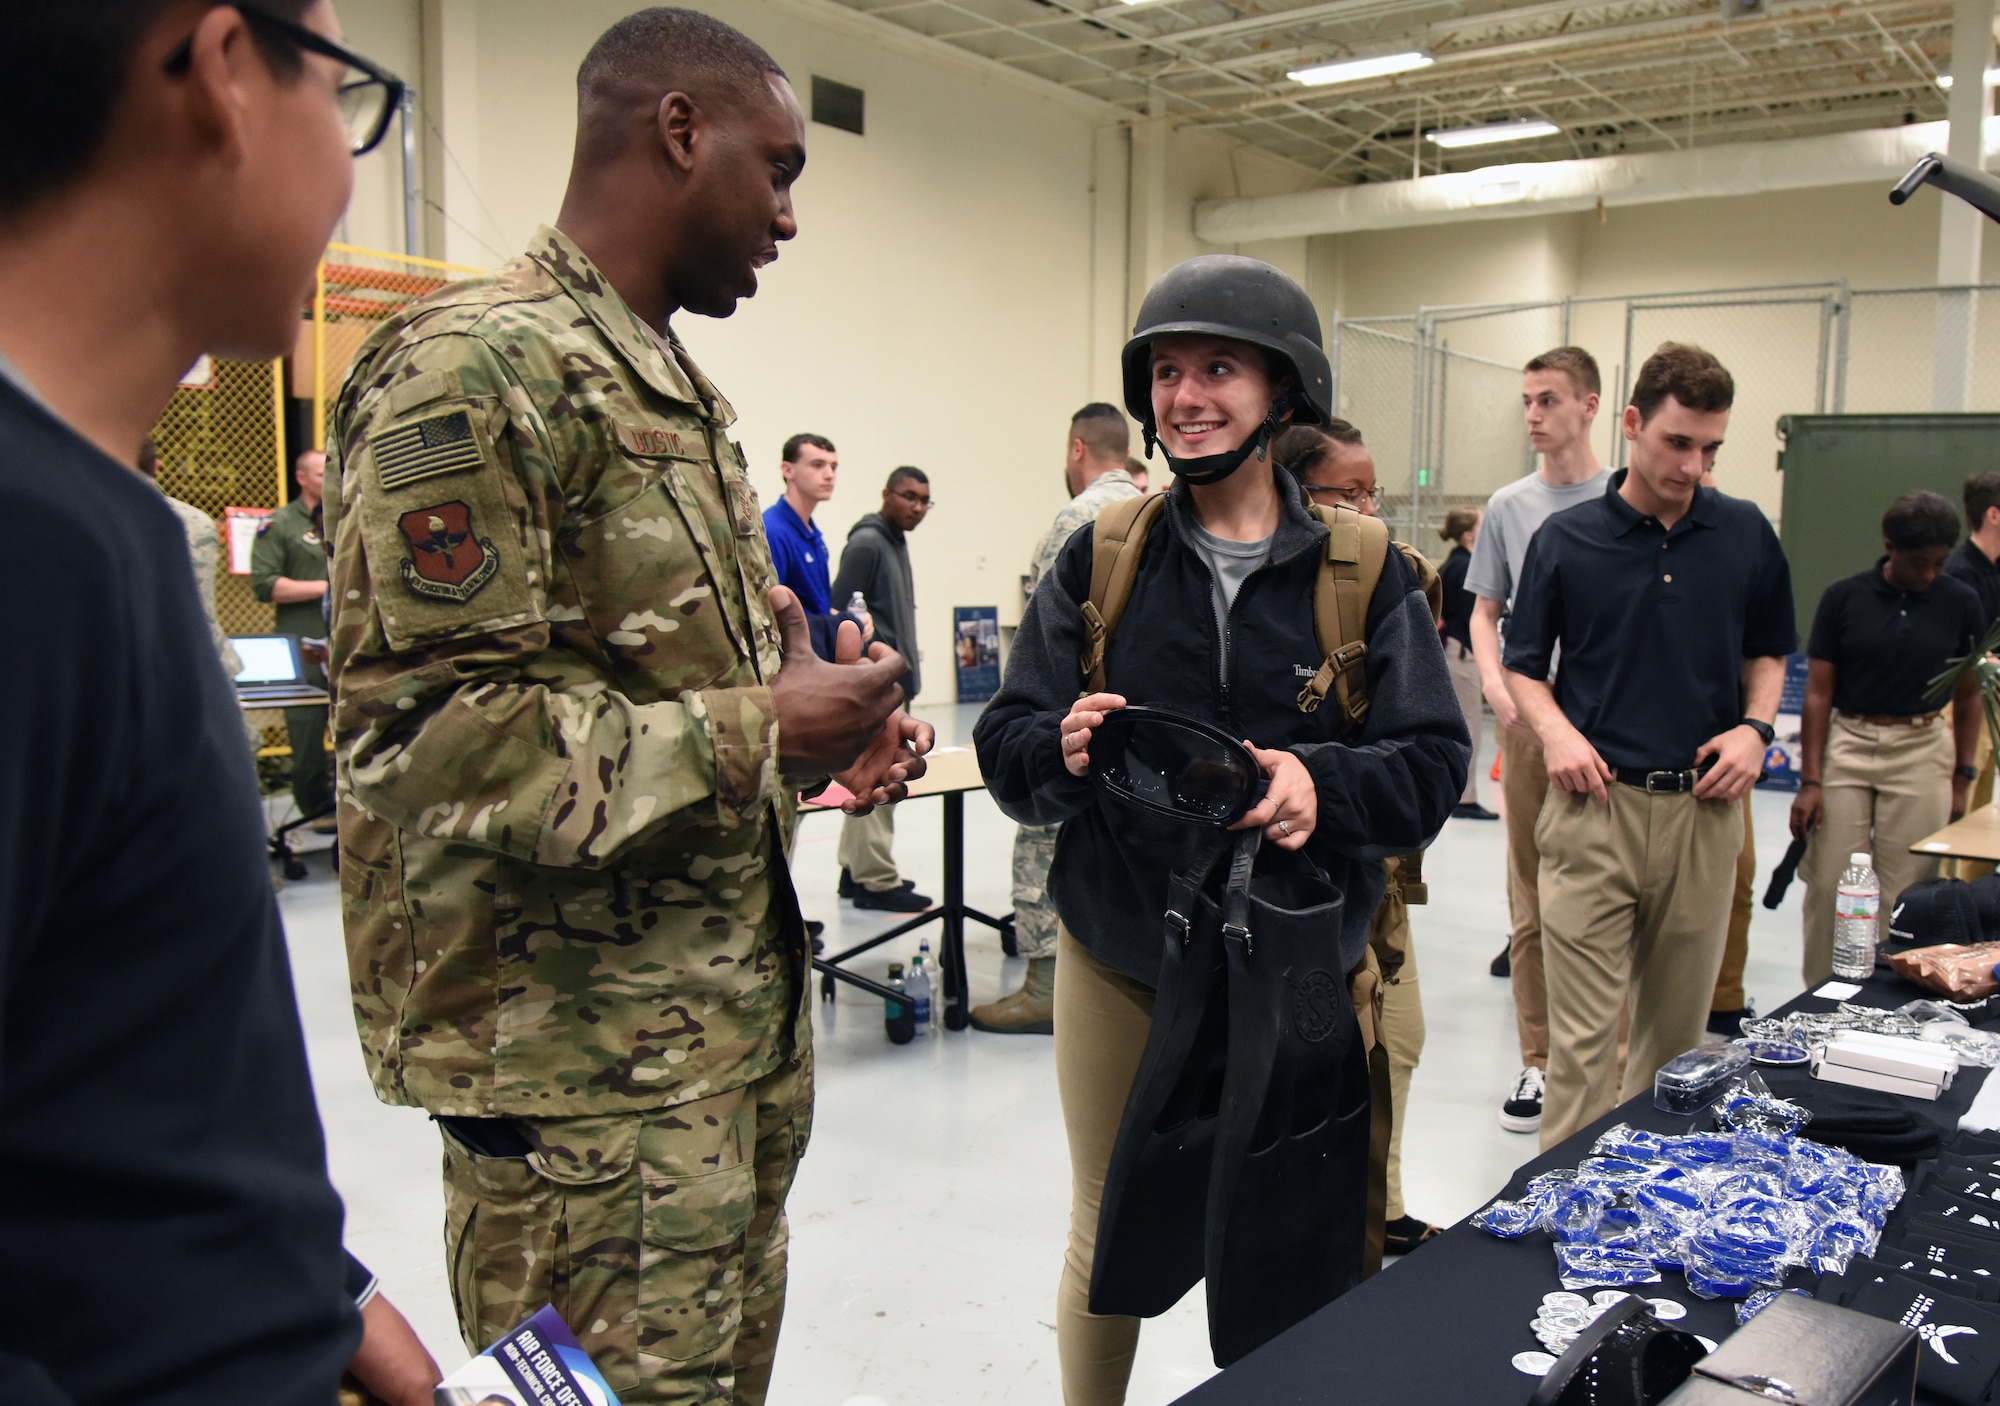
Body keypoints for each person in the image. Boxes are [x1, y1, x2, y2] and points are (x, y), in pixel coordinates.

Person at [325, 10, 931, 1402]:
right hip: (582, 1113)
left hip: (711, 1075)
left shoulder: (672, 393)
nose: (785, 217)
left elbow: (655, 732)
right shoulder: (472, 369)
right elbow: (419, 740)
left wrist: (816, 745)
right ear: (677, 133)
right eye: (775, 171)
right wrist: (763, 729)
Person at [0, 0, 404, 1398]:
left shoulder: (92, 520)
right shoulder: (29, 545)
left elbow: (93, 1082)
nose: (352, 169)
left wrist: (322, 1296)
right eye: (345, 95)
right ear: (227, 76)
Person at [976, 255, 1466, 1404]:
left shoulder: (1366, 572)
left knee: (1304, 1246)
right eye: (1165, 373)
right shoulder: (1099, 562)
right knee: (1106, 1239)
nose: (1185, 396)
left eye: (1218, 370)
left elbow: (1433, 766)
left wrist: (1316, 786)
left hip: (1299, 969)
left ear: (1281, 389)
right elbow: (1008, 747)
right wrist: (1066, 747)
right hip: (1124, 959)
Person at [1503, 343, 1796, 1151]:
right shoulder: (1567, 540)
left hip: (1704, 815)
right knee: (1584, 1049)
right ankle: (1559, 1220)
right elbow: (1524, 665)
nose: (1694, 465)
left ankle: (1645, 1212)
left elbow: (1769, 650)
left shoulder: (1744, 534)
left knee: (1675, 1049)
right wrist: (1557, 732)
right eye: (1678, 443)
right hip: (1595, 811)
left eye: (1711, 449)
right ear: (1632, 424)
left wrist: (1755, 727)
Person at [1276, 417, 1446, 1256]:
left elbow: (1425, 752)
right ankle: (1356, 1219)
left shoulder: (1388, 579)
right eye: (1351, 492)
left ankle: (1383, 1204)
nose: (1371, 506)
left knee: (1400, 1043)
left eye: (1376, 490)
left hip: (1380, 875)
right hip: (1312, 891)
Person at [1465, 346, 1613, 1136]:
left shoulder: (1626, 498)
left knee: (1611, 891)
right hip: (1529, 716)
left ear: (1590, 405)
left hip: (1609, 723)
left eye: (1548, 400)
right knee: (1529, 894)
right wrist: (1496, 686)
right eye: (1527, 400)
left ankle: (1614, 1064)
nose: (1533, 414)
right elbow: (1484, 611)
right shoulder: (1510, 506)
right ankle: (1540, 1060)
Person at [971, 403, 1137, 1036]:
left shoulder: (1077, 519)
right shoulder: (1154, 513)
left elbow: (1048, 645)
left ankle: (1044, 983)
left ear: (1076, 449)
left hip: (1078, 726)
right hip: (1140, 737)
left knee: (1043, 837)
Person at [1792, 492, 1983, 983]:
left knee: (1906, 894)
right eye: (1919, 562)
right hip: (1850, 742)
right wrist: (1810, 781)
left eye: (1940, 563)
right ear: (1889, 546)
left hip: (1921, 748)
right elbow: (1817, 693)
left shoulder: (1960, 602)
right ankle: (1819, 996)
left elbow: (1968, 695)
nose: (1930, 574)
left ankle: (1887, 1004)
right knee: (1834, 884)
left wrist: (1963, 775)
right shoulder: (1844, 597)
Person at [831, 466, 935, 912]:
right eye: (908, 496)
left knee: (876, 784)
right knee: (878, 781)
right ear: (885, 495)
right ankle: (875, 881)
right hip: (876, 689)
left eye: (924, 500)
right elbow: (842, 613)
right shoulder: (869, 543)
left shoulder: (894, 541)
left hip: (893, 685)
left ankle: (853, 872)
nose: (916, 507)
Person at [252, 447, 335, 828]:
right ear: (302, 477)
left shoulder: (342, 518)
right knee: (305, 734)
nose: (328, 479)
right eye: (320, 473)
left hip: (344, 643)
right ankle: (313, 809)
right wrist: (327, 587)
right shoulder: (280, 524)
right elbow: (266, 584)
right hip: (303, 644)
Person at [763, 431, 866, 657]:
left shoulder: (812, 533)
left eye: (833, 467)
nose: (829, 475)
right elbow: (769, 615)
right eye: (818, 465)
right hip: (796, 664)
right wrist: (843, 623)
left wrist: (851, 620)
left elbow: (812, 604)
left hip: (818, 658)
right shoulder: (773, 531)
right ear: (788, 470)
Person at [1944, 473, 2000, 879]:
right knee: (1962, 800)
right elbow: (1966, 658)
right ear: (1993, 515)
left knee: (1987, 810)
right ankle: (1949, 891)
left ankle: (1979, 895)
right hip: (1971, 701)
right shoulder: (1961, 574)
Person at [1438, 506, 1496, 820]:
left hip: (1455, 652)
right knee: (1470, 724)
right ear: (1469, 534)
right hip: (1461, 654)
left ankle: (1462, 794)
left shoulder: (1457, 564)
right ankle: (1464, 798)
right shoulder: (1466, 567)